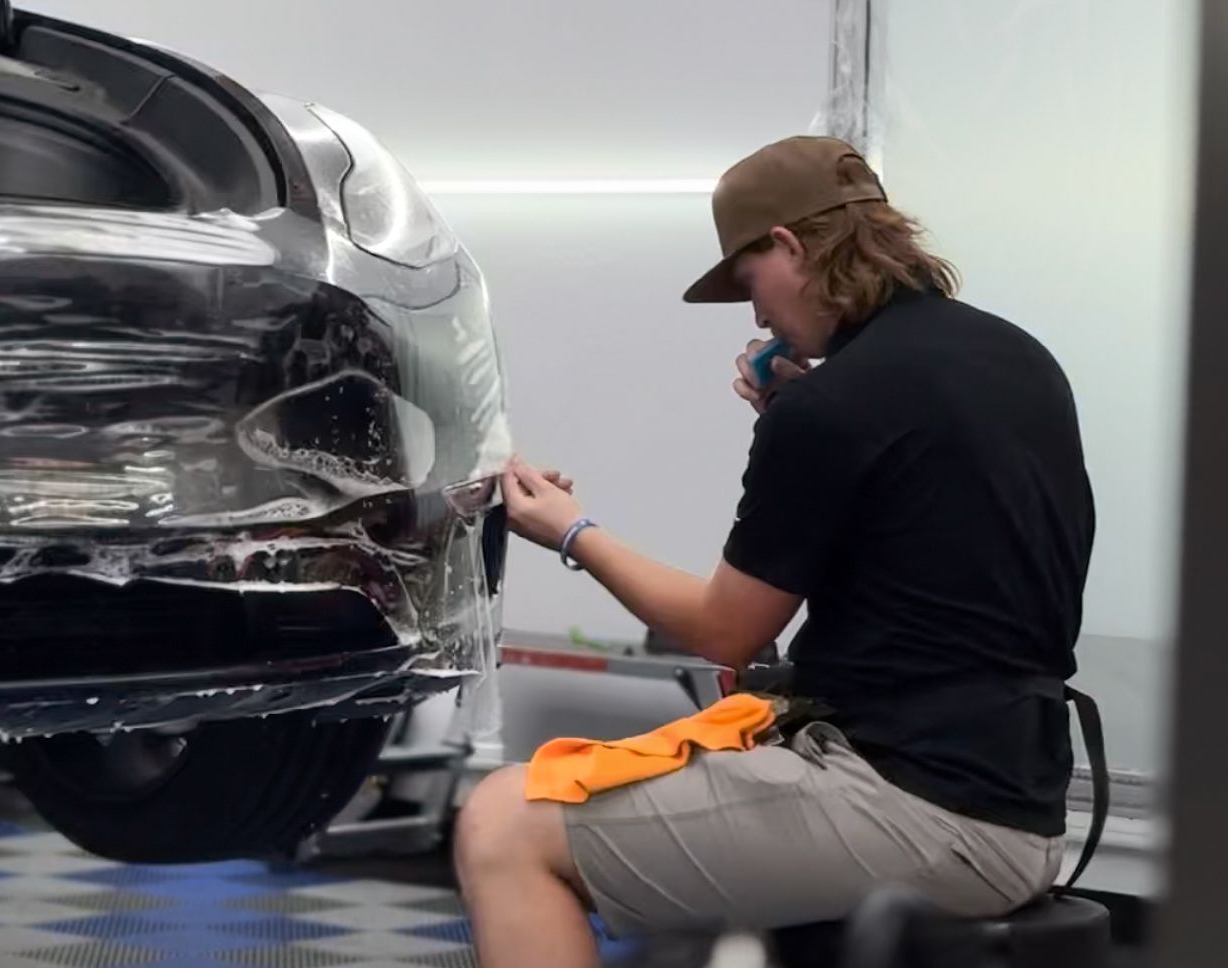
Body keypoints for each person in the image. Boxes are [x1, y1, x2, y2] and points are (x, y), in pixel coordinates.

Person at [453, 136, 1094, 968]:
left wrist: (571, 532)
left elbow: (725, 632)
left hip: (922, 810)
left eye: (749, 283)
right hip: (1025, 799)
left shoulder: (833, 408)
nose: (756, 317)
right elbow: (939, 542)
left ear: (790, 247)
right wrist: (798, 421)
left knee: (502, 824)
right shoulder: (1018, 358)